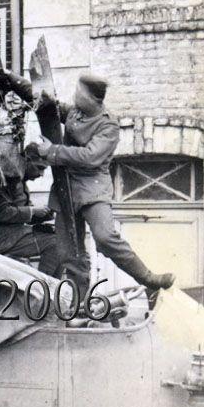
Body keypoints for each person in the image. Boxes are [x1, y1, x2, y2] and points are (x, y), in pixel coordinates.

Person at [27, 73, 175, 292]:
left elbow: (90, 157)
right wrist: (13, 81)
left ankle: (149, 280)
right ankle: (79, 304)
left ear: (92, 99)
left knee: (105, 237)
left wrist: (52, 151)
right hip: (66, 188)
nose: (74, 95)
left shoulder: (109, 126)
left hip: (92, 189)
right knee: (69, 253)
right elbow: (56, 107)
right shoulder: (75, 112)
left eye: (78, 92)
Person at [0, 159, 60, 277]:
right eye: (39, 168)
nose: (41, 174)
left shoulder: (20, 183)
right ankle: (43, 284)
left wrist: (45, 214)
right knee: (54, 243)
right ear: (27, 161)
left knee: (60, 241)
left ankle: (53, 285)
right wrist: (33, 211)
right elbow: (1, 213)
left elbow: (21, 215)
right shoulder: (5, 180)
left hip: (8, 236)